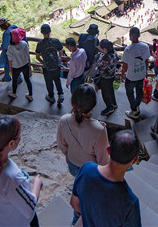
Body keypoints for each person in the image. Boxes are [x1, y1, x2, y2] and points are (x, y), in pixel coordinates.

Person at [57, 84, 109, 226]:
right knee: (85, 196)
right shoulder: (99, 129)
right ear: (93, 105)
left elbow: (61, 145)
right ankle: (77, 219)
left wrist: (69, 156)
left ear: (73, 101)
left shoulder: (64, 120)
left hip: (73, 165)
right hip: (90, 172)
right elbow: (103, 160)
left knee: (79, 185)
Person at [70, 130, 141, 227]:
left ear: (108, 150)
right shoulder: (130, 202)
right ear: (135, 160)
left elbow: (74, 203)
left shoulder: (86, 169)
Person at [121, 27, 151, 120]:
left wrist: (122, 74)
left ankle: (134, 110)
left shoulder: (128, 49)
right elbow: (146, 61)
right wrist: (145, 71)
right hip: (141, 74)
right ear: (139, 35)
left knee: (129, 92)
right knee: (139, 91)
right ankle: (136, 107)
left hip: (131, 76)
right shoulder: (145, 46)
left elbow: (125, 65)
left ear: (130, 35)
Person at [35, 24, 65, 105]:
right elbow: (61, 53)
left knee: (49, 82)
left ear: (41, 32)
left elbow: (37, 57)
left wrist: (43, 62)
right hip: (56, 65)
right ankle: (60, 94)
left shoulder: (40, 44)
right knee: (57, 79)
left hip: (46, 66)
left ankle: (51, 97)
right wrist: (59, 60)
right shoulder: (56, 41)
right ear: (50, 31)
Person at [95, 39, 119, 116]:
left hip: (106, 77)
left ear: (105, 49)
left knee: (105, 93)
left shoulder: (106, 57)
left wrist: (100, 58)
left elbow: (100, 66)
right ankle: (114, 104)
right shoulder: (114, 52)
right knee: (111, 90)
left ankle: (109, 108)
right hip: (112, 75)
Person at [7, 34, 33, 101]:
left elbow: (10, 60)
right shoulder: (24, 43)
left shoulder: (10, 48)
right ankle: (30, 95)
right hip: (25, 64)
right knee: (27, 80)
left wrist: (10, 69)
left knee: (14, 80)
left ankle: (14, 93)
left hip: (16, 67)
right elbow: (27, 54)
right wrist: (29, 65)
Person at [0, 17, 21, 83]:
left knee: (9, 65)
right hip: (19, 48)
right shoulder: (14, 27)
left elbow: (5, 46)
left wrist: (2, 46)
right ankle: (18, 77)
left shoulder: (6, 33)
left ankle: (10, 77)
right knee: (17, 64)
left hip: (11, 52)